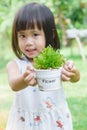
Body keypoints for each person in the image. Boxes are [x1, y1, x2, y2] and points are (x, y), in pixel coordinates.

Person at [6, 2, 80, 130]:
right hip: (25, 122)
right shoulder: (15, 64)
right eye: (22, 35)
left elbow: (75, 78)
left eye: (35, 34)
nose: (28, 42)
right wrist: (24, 79)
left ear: (50, 34)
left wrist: (73, 72)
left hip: (54, 120)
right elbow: (14, 84)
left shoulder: (56, 61)